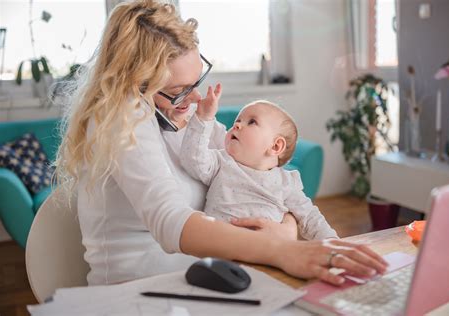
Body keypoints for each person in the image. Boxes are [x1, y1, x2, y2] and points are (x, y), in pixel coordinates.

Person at [55, 0, 387, 287]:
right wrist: (281, 249)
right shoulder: (121, 117)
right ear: (134, 83)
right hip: (141, 292)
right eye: (178, 90)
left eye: (196, 81)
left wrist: (286, 230)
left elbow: (258, 180)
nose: (196, 98)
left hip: (212, 275)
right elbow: (171, 221)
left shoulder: (189, 120)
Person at [181, 96, 338, 240]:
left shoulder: (286, 183)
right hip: (220, 250)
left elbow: (309, 217)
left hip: (268, 254)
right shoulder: (221, 162)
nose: (236, 124)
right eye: (238, 120)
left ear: (275, 146)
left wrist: (331, 242)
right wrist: (203, 120)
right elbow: (193, 159)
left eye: (252, 122)